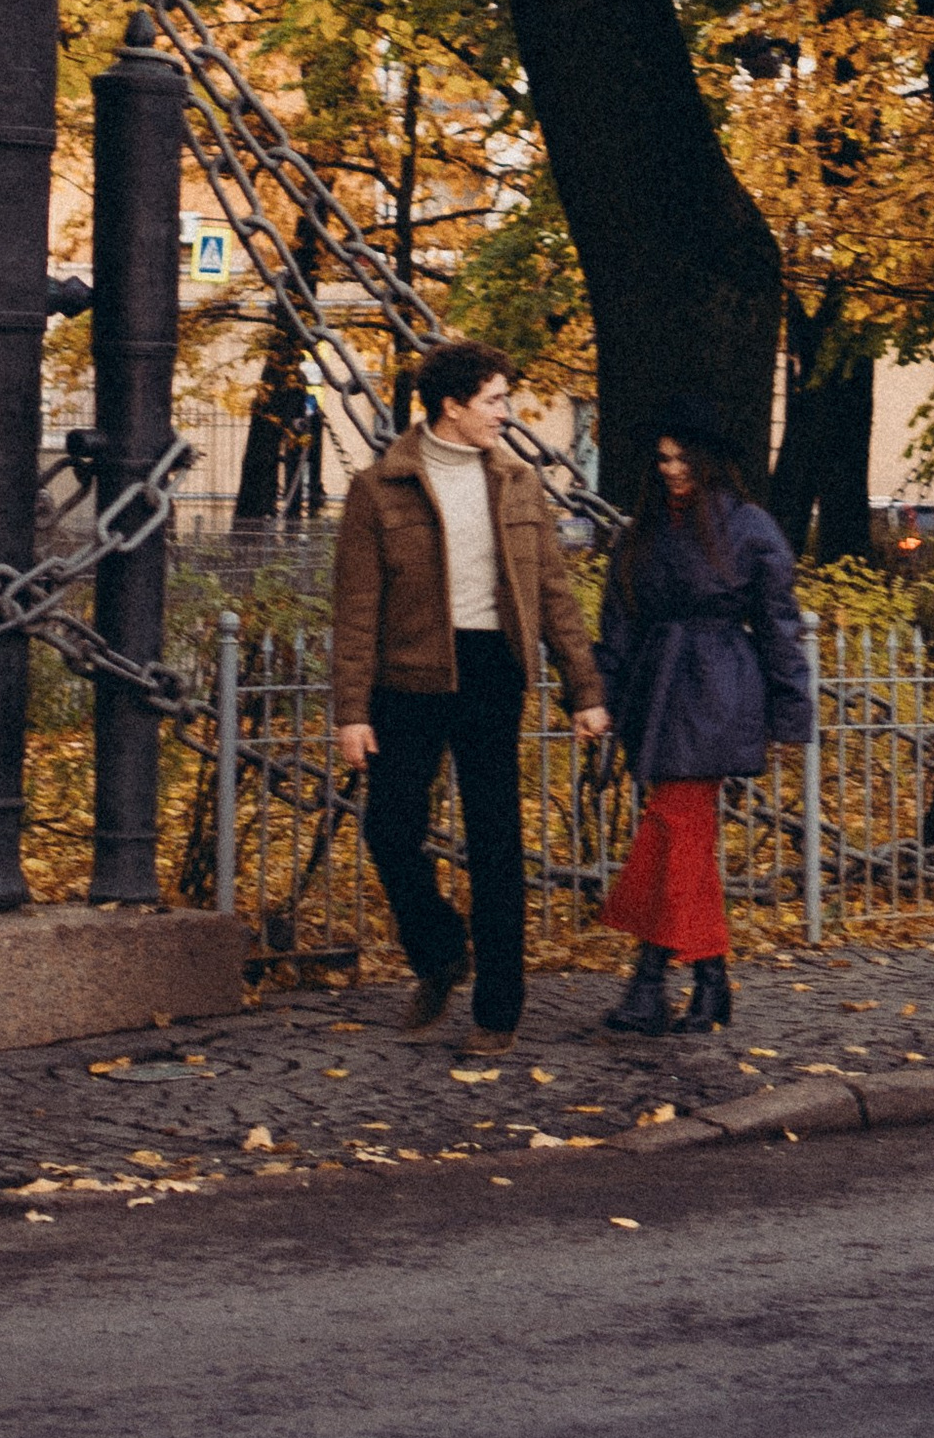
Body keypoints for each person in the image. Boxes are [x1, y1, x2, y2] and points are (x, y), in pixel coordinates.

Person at [332, 343, 609, 1040]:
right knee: (390, 829)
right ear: (451, 407)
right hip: (408, 677)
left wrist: (585, 691)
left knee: (495, 840)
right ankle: (440, 951)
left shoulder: (517, 482)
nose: (505, 414)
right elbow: (356, 608)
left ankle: (499, 1008)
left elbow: (553, 593)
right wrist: (352, 712)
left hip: (492, 671)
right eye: (493, 400)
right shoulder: (380, 488)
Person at [593, 392, 813, 1037]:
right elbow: (618, 623)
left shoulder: (749, 528)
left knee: (674, 825)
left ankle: (650, 981)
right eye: (661, 458)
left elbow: (779, 626)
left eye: (683, 457)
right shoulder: (642, 533)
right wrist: (599, 697)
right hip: (656, 692)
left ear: (710, 460)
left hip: (719, 688)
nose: (670, 468)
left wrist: (789, 712)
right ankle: (707, 982)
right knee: (678, 837)